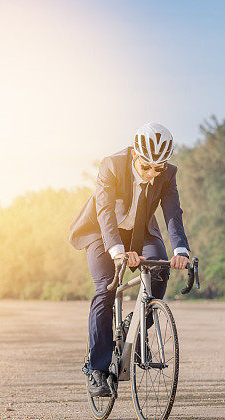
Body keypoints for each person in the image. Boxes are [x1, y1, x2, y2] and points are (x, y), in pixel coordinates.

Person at [68, 123, 191, 397]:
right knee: (106, 288)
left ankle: (134, 325)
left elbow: (173, 213)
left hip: (141, 232)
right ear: (135, 154)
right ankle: (97, 369)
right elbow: (105, 211)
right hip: (102, 233)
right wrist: (115, 249)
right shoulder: (111, 165)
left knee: (159, 269)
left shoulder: (167, 174)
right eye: (146, 167)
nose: (151, 175)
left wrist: (181, 250)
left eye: (158, 169)